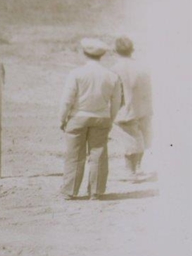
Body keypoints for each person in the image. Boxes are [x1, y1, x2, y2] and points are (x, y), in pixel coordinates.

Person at [59, 38, 122, 200]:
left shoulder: (76, 73)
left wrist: (62, 118)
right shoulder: (112, 76)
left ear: (84, 53)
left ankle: (70, 191)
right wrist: (110, 119)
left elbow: (67, 100)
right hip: (101, 118)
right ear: (102, 55)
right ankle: (96, 191)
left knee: (74, 155)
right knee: (98, 154)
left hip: (77, 117)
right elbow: (116, 102)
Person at [110, 37, 154, 178]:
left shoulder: (115, 69)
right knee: (140, 138)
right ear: (132, 50)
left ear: (115, 51)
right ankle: (138, 167)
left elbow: (114, 92)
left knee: (129, 141)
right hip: (143, 108)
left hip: (125, 109)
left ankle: (130, 171)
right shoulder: (142, 67)